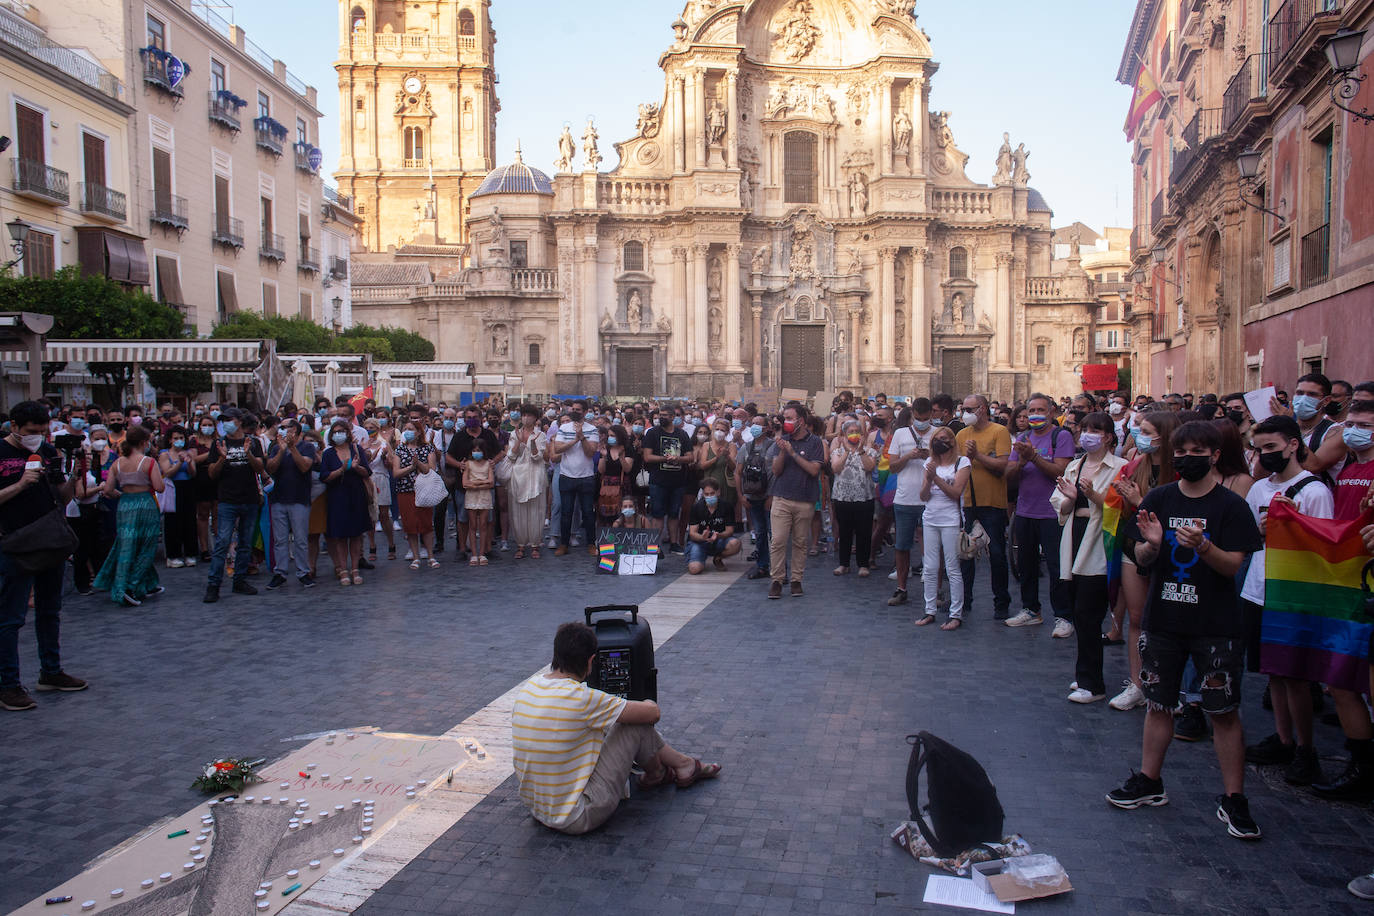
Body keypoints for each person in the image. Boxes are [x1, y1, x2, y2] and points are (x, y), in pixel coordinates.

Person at [1106, 421, 1263, 840]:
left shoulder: (1231, 506)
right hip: (1165, 620)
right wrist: (1153, 544)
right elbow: (1140, 555)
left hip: (1215, 624)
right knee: (1159, 704)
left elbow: (1234, 566)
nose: (1187, 458)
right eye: (1181, 451)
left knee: (1223, 711)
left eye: (1197, 451)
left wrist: (1205, 547)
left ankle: (1234, 797)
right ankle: (1149, 780)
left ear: (1214, 456)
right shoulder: (1159, 497)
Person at [511, 621, 721, 835]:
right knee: (633, 725)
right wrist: (646, 702)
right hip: (576, 816)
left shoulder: (530, 687)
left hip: (539, 808)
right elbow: (653, 714)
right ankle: (661, 772)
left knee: (608, 722)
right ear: (591, 661)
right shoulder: (581, 699)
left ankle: (681, 765)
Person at [1238, 416, 1334, 785]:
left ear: (1293, 445)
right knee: (1272, 673)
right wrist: (1259, 533)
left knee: (1294, 675)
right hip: (1259, 587)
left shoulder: (1314, 491)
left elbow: (1324, 548)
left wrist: (1293, 530)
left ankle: (1306, 748)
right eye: (1260, 450)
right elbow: (1248, 538)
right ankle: (1283, 738)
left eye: (1272, 448)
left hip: (1294, 591)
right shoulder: (1260, 489)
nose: (1265, 455)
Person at [0, 401, 87, 710]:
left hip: (49, 539)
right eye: (30, 432)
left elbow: (62, 497)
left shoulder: (48, 453)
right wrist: (21, 484)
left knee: (50, 611)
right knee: (10, 618)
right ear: (14, 427)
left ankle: (51, 671)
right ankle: (8, 685)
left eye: (42, 431)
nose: (37, 436)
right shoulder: (2, 454)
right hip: (14, 542)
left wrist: (76, 473)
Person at [1051, 413, 1127, 702]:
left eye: (1096, 430)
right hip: (1074, 536)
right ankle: (1084, 673)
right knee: (1079, 611)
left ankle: (1092, 683)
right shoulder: (1075, 465)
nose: (1088, 434)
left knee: (1088, 613)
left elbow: (1119, 507)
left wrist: (1094, 495)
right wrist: (1070, 497)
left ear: (1108, 436)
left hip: (1100, 541)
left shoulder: (1120, 467)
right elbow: (1060, 504)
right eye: (1084, 429)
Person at [1109, 410, 1181, 710]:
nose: (1137, 431)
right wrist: (1125, 499)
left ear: (1163, 436)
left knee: (1169, 619)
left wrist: (1141, 501)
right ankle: (1137, 683)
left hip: (1171, 548)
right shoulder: (1134, 465)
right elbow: (1124, 511)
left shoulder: (1179, 471)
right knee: (1137, 618)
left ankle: (1170, 685)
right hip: (1133, 542)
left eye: (1144, 428)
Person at [1005, 394, 1076, 632]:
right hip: (1026, 510)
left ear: (1051, 412)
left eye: (1040, 410)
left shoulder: (1061, 436)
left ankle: (1064, 616)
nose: (1035, 414)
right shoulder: (1023, 438)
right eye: (1031, 410)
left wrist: (1033, 457)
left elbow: (1060, 471)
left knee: (1057, 566)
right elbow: (1010, 475)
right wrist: (1022, 461)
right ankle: (1030, 609)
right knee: (1027, 564)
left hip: (1052, 512)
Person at [93, 424, 166, 607]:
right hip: (145, 505)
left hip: (125, 505)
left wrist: (122, 494)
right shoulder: (148, 462)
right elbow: (159, 487)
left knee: (127, 544)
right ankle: (130, 586)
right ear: (144, 442)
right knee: (146, 546)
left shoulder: (117, 463)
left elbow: (108, 490)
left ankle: (148, 583)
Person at [954, 396, 1013, 619]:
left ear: (982, 409)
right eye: (963, 409)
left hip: (993, 502)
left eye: (969, 409)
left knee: (996, 554)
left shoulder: (999, 432)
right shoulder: (962, 434)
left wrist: (977, 455)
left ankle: (1001, 601)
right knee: (966, 552)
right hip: (968, 502)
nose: (965, 413)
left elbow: (1002, 465)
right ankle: (964, 600)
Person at [203, 409, 266, 604]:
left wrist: (248, 454)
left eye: (229, 420)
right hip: (227, 500)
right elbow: (212, 474)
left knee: (245, 543)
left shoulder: (253, 443)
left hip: (249, 498)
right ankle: (213, 585)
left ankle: (240, 580)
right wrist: (222, 457)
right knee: (222, 542)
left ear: (239, 421)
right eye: (223, 421)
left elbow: (260, 469)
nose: (226, 424)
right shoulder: (218, 444)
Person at [766, 404, 825, 599]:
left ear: (801, 420)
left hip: (805, 499)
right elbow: (776, 471)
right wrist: (783, 451)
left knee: (800, 542)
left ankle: (796, 580)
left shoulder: (815, 442)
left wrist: (793, 453)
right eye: (785, 418)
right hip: (782, 497)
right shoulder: (781, 440)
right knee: (778, 540)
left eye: (790, 418)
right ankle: (776, 579)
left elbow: (814, 470)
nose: (787, 422)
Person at [915, 425, 970, 630]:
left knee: (952, 567)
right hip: (930, 518)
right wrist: (928, 481)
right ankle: (929, 610)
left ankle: (956, 613)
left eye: (944, 438)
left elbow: (956, 493)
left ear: (952, 441)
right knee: (929, 567)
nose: (940, 441)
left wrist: (935, 477)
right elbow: (923, 496)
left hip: (951, 520)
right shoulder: (930, 462)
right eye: (937, 438)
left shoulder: (962, 462)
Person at [886, 402, 932, 605]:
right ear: (912, 415)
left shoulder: (939, 433)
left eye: (925, 419)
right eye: (918, 418)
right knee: (902, 546)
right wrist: (909, 456)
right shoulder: (900, 434)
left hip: (931, 499)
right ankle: (901, 588)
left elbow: (948, 462)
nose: (922, 422)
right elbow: (893, 467)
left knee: (932, 547)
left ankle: (934, 590)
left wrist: (929, 455)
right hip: (904, 499)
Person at [265, 419, 319, 590]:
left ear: (294, 430)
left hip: (299, 498)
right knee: (280, 539)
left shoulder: (307, 447)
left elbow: (304, 466)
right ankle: (280, 572)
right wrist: (281, 451)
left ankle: (303, 572)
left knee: (301, 538)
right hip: (279, 498)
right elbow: (271, 468)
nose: (280, 430)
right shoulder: (275, 448)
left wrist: (292, 447)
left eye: (284, 427)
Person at [320, 418, 372, 586]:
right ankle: (343, 569)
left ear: (348, 433)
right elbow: (325, 477)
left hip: (356, 494)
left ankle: (355, 568)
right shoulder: (328, 453)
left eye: (341, 431)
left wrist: (355, 467)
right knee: (340, 535)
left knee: (356, 534)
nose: (338, 435)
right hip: (337, 495)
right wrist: (341, 470)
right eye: (335, 432)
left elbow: (367, 472)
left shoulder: (356, 449)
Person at [829, 418, 876, 576]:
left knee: (864, 531)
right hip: (843, 497)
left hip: (864, 497)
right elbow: (836, 468)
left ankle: (863, 564)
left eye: (857, 432)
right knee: (845, 531)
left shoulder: (869, 451)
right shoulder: (837, 452)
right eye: (850, 432)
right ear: (843, 435)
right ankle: (844, 563)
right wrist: (847, 451)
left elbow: (869, 467)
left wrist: (861, 450)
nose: (854, 435)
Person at [392, 419, 440, 570]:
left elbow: (431, 469)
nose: (407, 431)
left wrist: (418, 463)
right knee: (410, 524)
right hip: (405, 491)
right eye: (405, 428)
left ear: (419, 432)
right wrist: (411, 468)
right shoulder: (400, 449)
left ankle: (431, 555)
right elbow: (396, 472)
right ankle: (416, 556)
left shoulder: (427, 448)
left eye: (411, 428)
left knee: (426, 523)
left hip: (424, 490)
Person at [643, 410, 693, 555]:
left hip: (677, 480)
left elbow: (690, 457)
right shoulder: (652, 433)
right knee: (657, 514)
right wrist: (665, 459)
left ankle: (674, 543)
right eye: (660, 415)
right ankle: (654, 546)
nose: (661, 417)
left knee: (673, 513)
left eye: (665, 415)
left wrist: (678, 459)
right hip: (658, 480)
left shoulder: (682, 434)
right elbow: (647, 456)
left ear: (672, 417)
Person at [507, 404, 548, 559]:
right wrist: (519, 440)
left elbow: (538, 457)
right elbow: (511, 456)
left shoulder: (540, 435)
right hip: (518, 475)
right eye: (524, 415)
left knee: (536, 511)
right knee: (518, 511)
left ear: (535, 418)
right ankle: (520, 545)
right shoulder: (513, 433)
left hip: (536, 475)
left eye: (529, 415)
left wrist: (531, 443)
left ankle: (535, 544)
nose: (526, 418)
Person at [736, 414, 773, 581]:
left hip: (769, 497)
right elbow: (738, 473)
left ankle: (780, 569)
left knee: (774, 534)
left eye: (759, 424)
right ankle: (762, 566)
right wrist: (741, 495)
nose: (755, 427)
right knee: (759, 532)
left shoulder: (772, 447)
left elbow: (777, 475)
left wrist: (772, 496)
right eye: (753, 424)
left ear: (766, 428)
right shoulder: (746, 447)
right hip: (752, 497)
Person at [157, 426, 199, 568]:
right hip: (173, 488)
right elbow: (167, 472)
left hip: (188, 487)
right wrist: (179, 462)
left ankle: (190, 553)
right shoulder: (164, 454)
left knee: (189, 520)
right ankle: (173, 555)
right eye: (176, 438)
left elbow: (193, 473)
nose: (179, 441)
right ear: (170, 440)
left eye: (181, 438)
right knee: (173, 521)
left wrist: (188, 463)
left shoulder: (188, 453)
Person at [685, 477, 740, 574]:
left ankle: (718, 558)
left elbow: (730, 530)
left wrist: (719, 535)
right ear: (703, 494)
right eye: (706, 494)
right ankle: (696, 559)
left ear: (718, 492)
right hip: (699, 542)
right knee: (694, 569)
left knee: (735, 543)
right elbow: (692, 533)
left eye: (712, 493)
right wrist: (702, 537)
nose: (709, 497)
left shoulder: (727, 506)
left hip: (719, 539)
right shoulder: (696, 507)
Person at [364, 420, 397, 561]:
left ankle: (391, 543)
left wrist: (384, 457)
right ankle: (372, 545)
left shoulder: (384, 444)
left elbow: (391, 465)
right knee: (369, 515)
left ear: (377, 429)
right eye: (366, 428)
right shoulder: (362, 444)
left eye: (371, 428)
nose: (369, 430)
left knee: (384, 514)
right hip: (367, 480)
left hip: (381, 478)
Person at [462, 435, 495, 566]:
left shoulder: (488, 464)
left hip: (484, 497)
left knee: (483, 525)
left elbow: (491, 483)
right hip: (471, 497)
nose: (477, 453)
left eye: (479, 450)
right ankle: (474, 554)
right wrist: (482, 482)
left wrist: (475, 483)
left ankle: (482, 553)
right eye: (474, 450)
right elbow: (465, 483)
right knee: (472, 526)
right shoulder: (468, 464)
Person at [598, 424, 634, 527]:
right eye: (609, 435)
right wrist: (604, 456)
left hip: (622, 485)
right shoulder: (606, 449)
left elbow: (627, 469)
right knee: (606, 515)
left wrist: (621, 458)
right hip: (607, 486)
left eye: (613, 435)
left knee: (622, 514)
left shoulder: (628, 449)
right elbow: (601, 470)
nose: (610, 438)